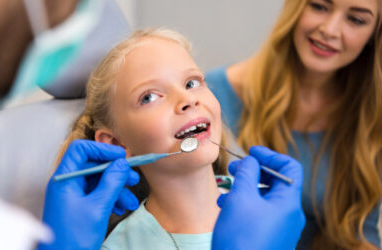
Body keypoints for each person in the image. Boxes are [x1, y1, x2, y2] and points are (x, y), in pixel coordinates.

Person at [38, 28, 305, 249]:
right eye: (149, 97)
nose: (187, 100)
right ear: (117, 144)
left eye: (192, 82)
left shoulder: (265, 210)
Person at [206, 0, 382, 249]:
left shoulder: (370, 119)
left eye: (356, 19)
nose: (330, 30)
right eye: (320, 6)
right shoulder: (213, 98)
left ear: (374, 35)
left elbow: (363, 236)